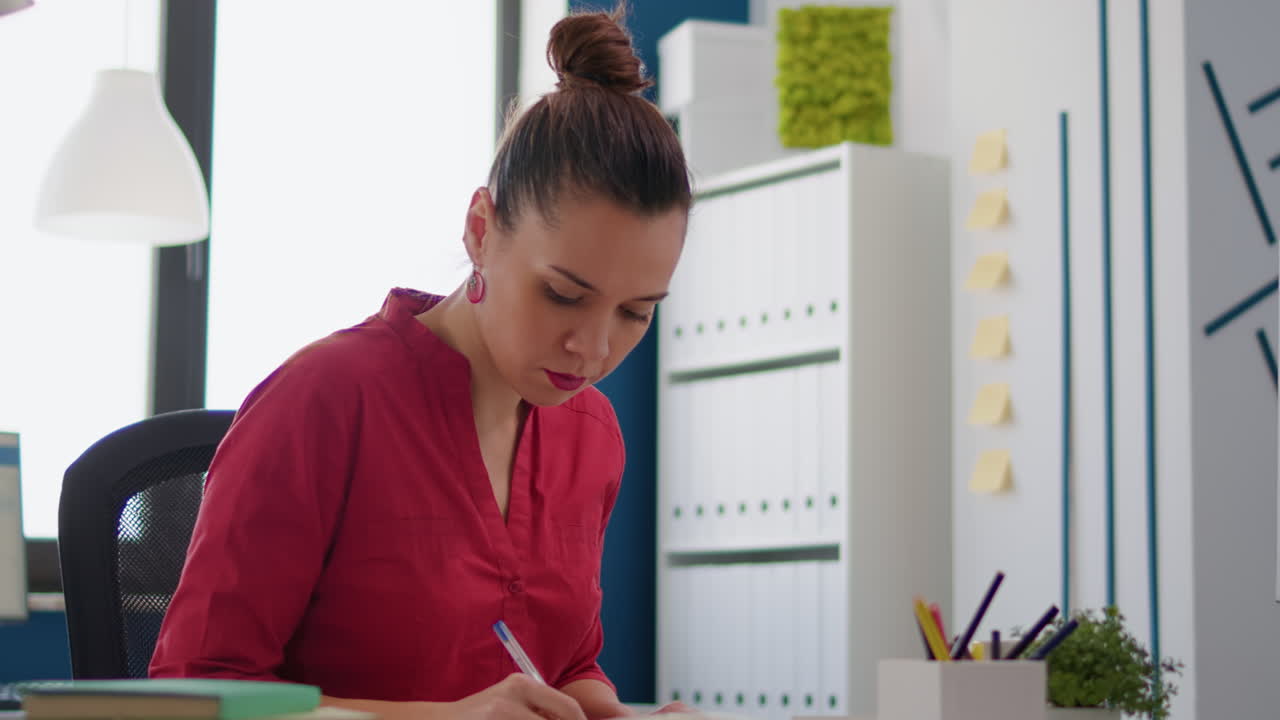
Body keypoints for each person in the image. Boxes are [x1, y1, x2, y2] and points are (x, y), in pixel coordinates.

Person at [148, 6, 692, 720]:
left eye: (635, 313)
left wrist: (611, 714)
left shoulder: (592, 436)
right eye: (563, 295)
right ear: (479, 230)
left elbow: (564, 663)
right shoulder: (323, 401)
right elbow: (191, 692)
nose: (592, 351)